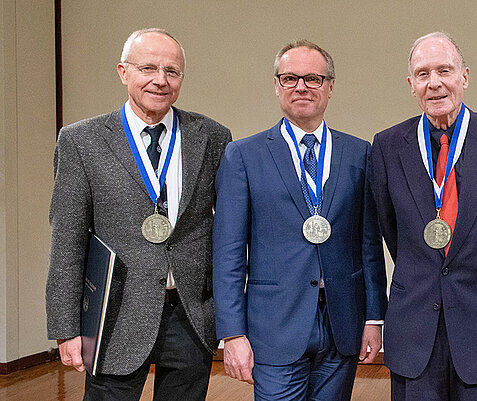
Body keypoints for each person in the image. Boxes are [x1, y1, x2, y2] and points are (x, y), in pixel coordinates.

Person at [46, 28, 231, 400]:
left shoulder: (212, 136)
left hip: (190, 314)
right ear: (123, 71)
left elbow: (226, 233)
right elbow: (67, 240)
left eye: (172, 71)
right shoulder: (82, 141)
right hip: (113, 316)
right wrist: (65, 327)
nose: (160, 81)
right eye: (148, 68)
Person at [212, 40, 387, 401]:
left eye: (313, 78)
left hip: (342, 322)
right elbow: (228, 251)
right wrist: (232, 333)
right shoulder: (243, 156)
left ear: (330, 86)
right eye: (290, 78)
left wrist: (374, 318)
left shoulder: (359, 153)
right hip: (273, 326)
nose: (302, 87)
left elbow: (368, 244)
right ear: (277, 85)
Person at [369, 32, 477, 400]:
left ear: (464, 76)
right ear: (411, 84)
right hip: (415, 328)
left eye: (444, 70)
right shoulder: (385, 146)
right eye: (423, 73)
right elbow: (389, 230)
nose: (435, 83)